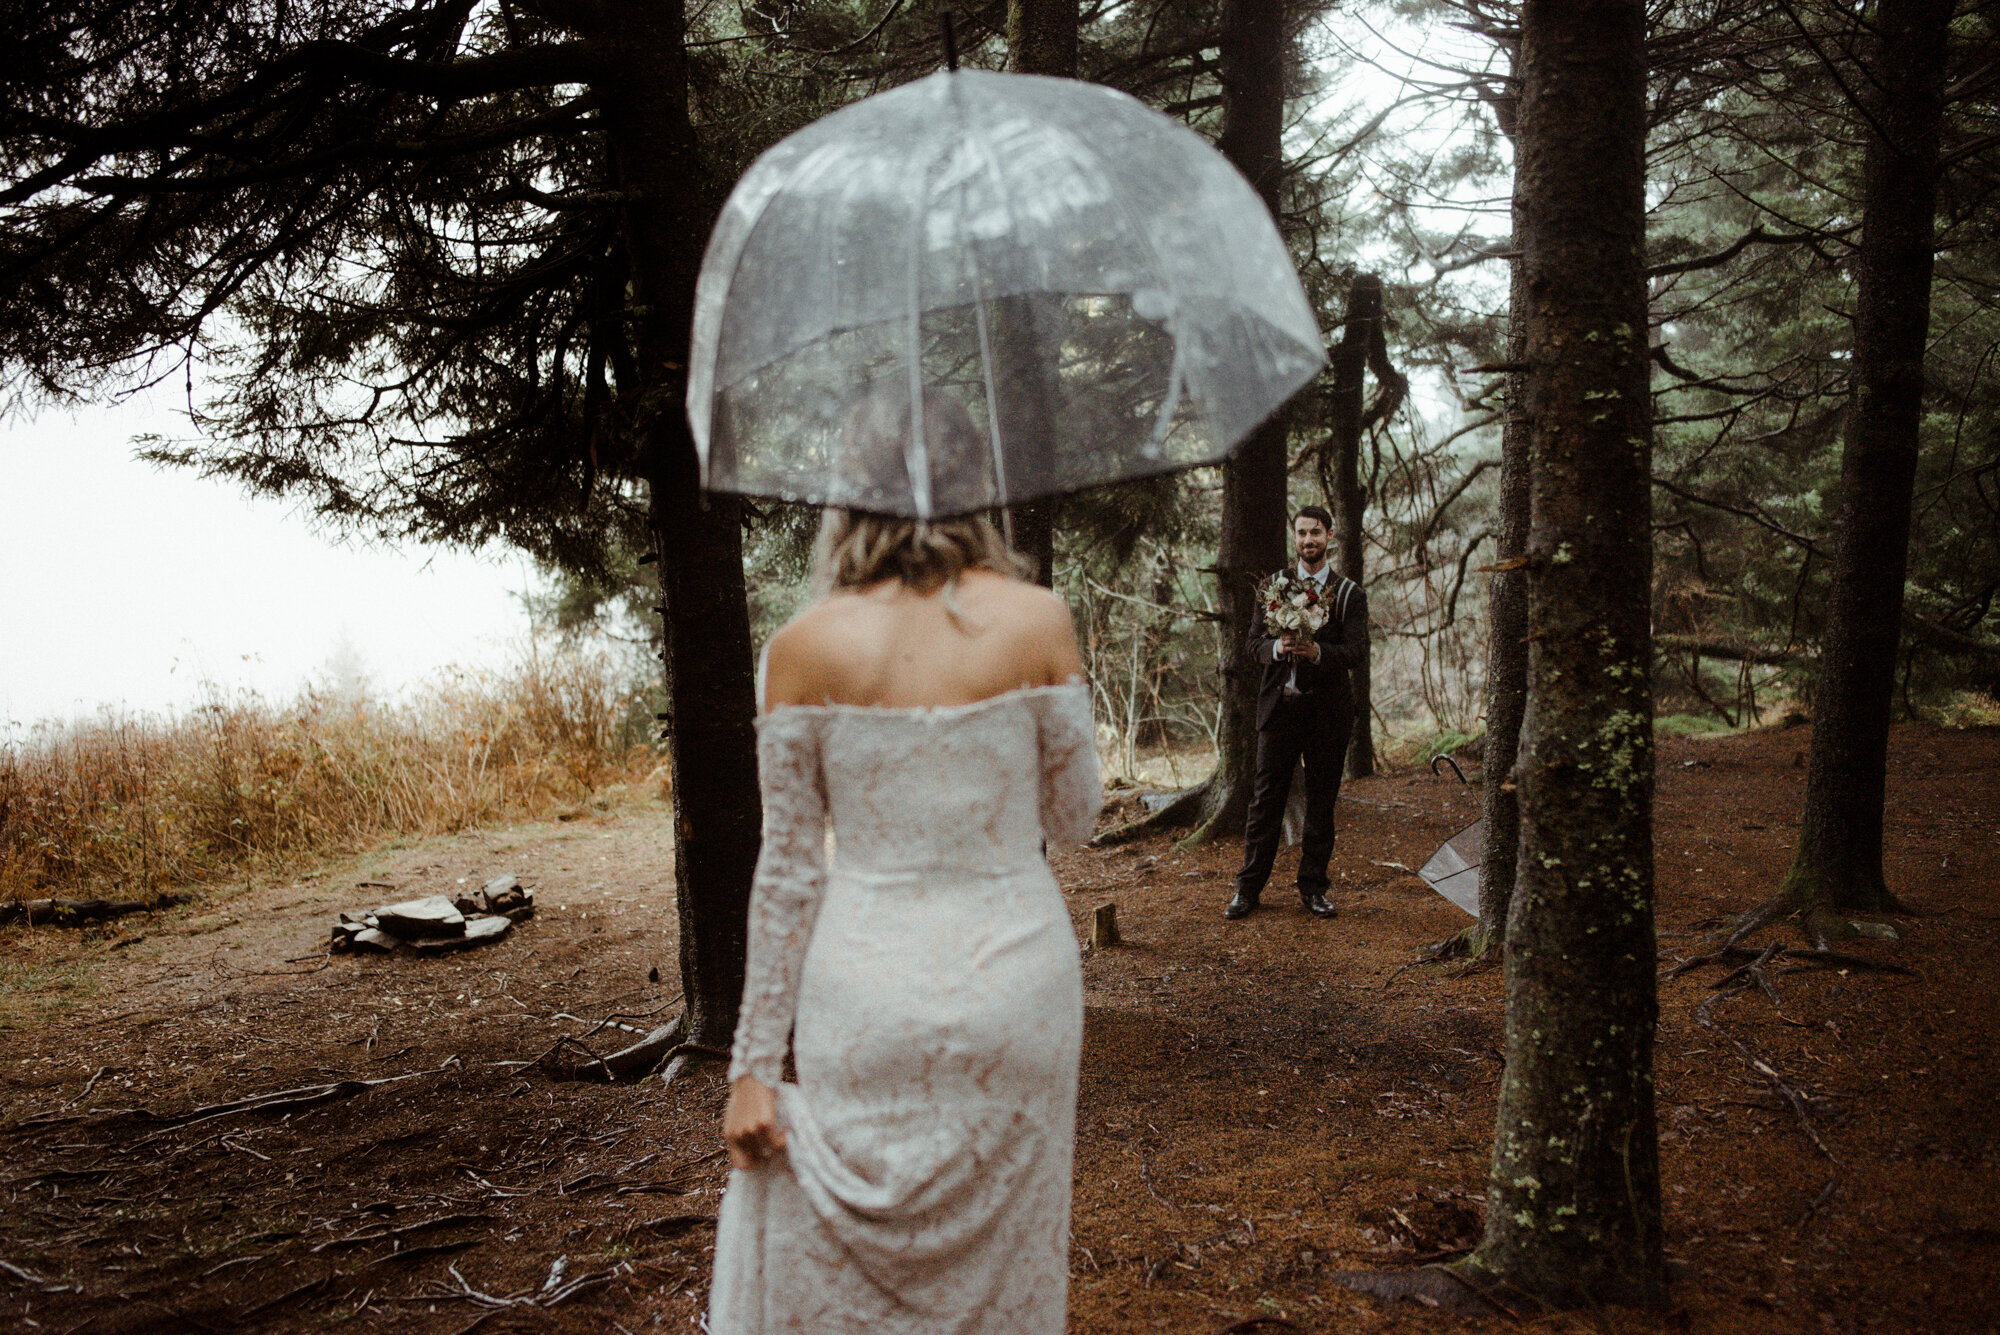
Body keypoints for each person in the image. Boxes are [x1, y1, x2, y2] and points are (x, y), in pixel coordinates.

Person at [708, 392, 1102, 1335]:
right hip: (1016, 990)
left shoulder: (800, 649)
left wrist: (754, 1065)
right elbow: (1077, 817)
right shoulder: (1040, 620)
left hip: (864, 996)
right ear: (978, 490)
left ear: (851, 495)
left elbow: (789, 871)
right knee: (1005, 1271)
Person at [1226, 504, 1368, 921]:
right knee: (1265, 802)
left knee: (1322, 804)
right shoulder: (1272, 587)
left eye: (1317, 533)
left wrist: (1319, 651)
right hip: (1280, 712)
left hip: (1328, 715)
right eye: (1303, 533)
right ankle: (1248, 889)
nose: (1309, 540)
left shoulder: (1348, 594)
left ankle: (1314, 889)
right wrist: (1277, 648)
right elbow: (1252, 644)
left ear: (1330, 537)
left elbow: (1358, 652)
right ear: (1295, 537)